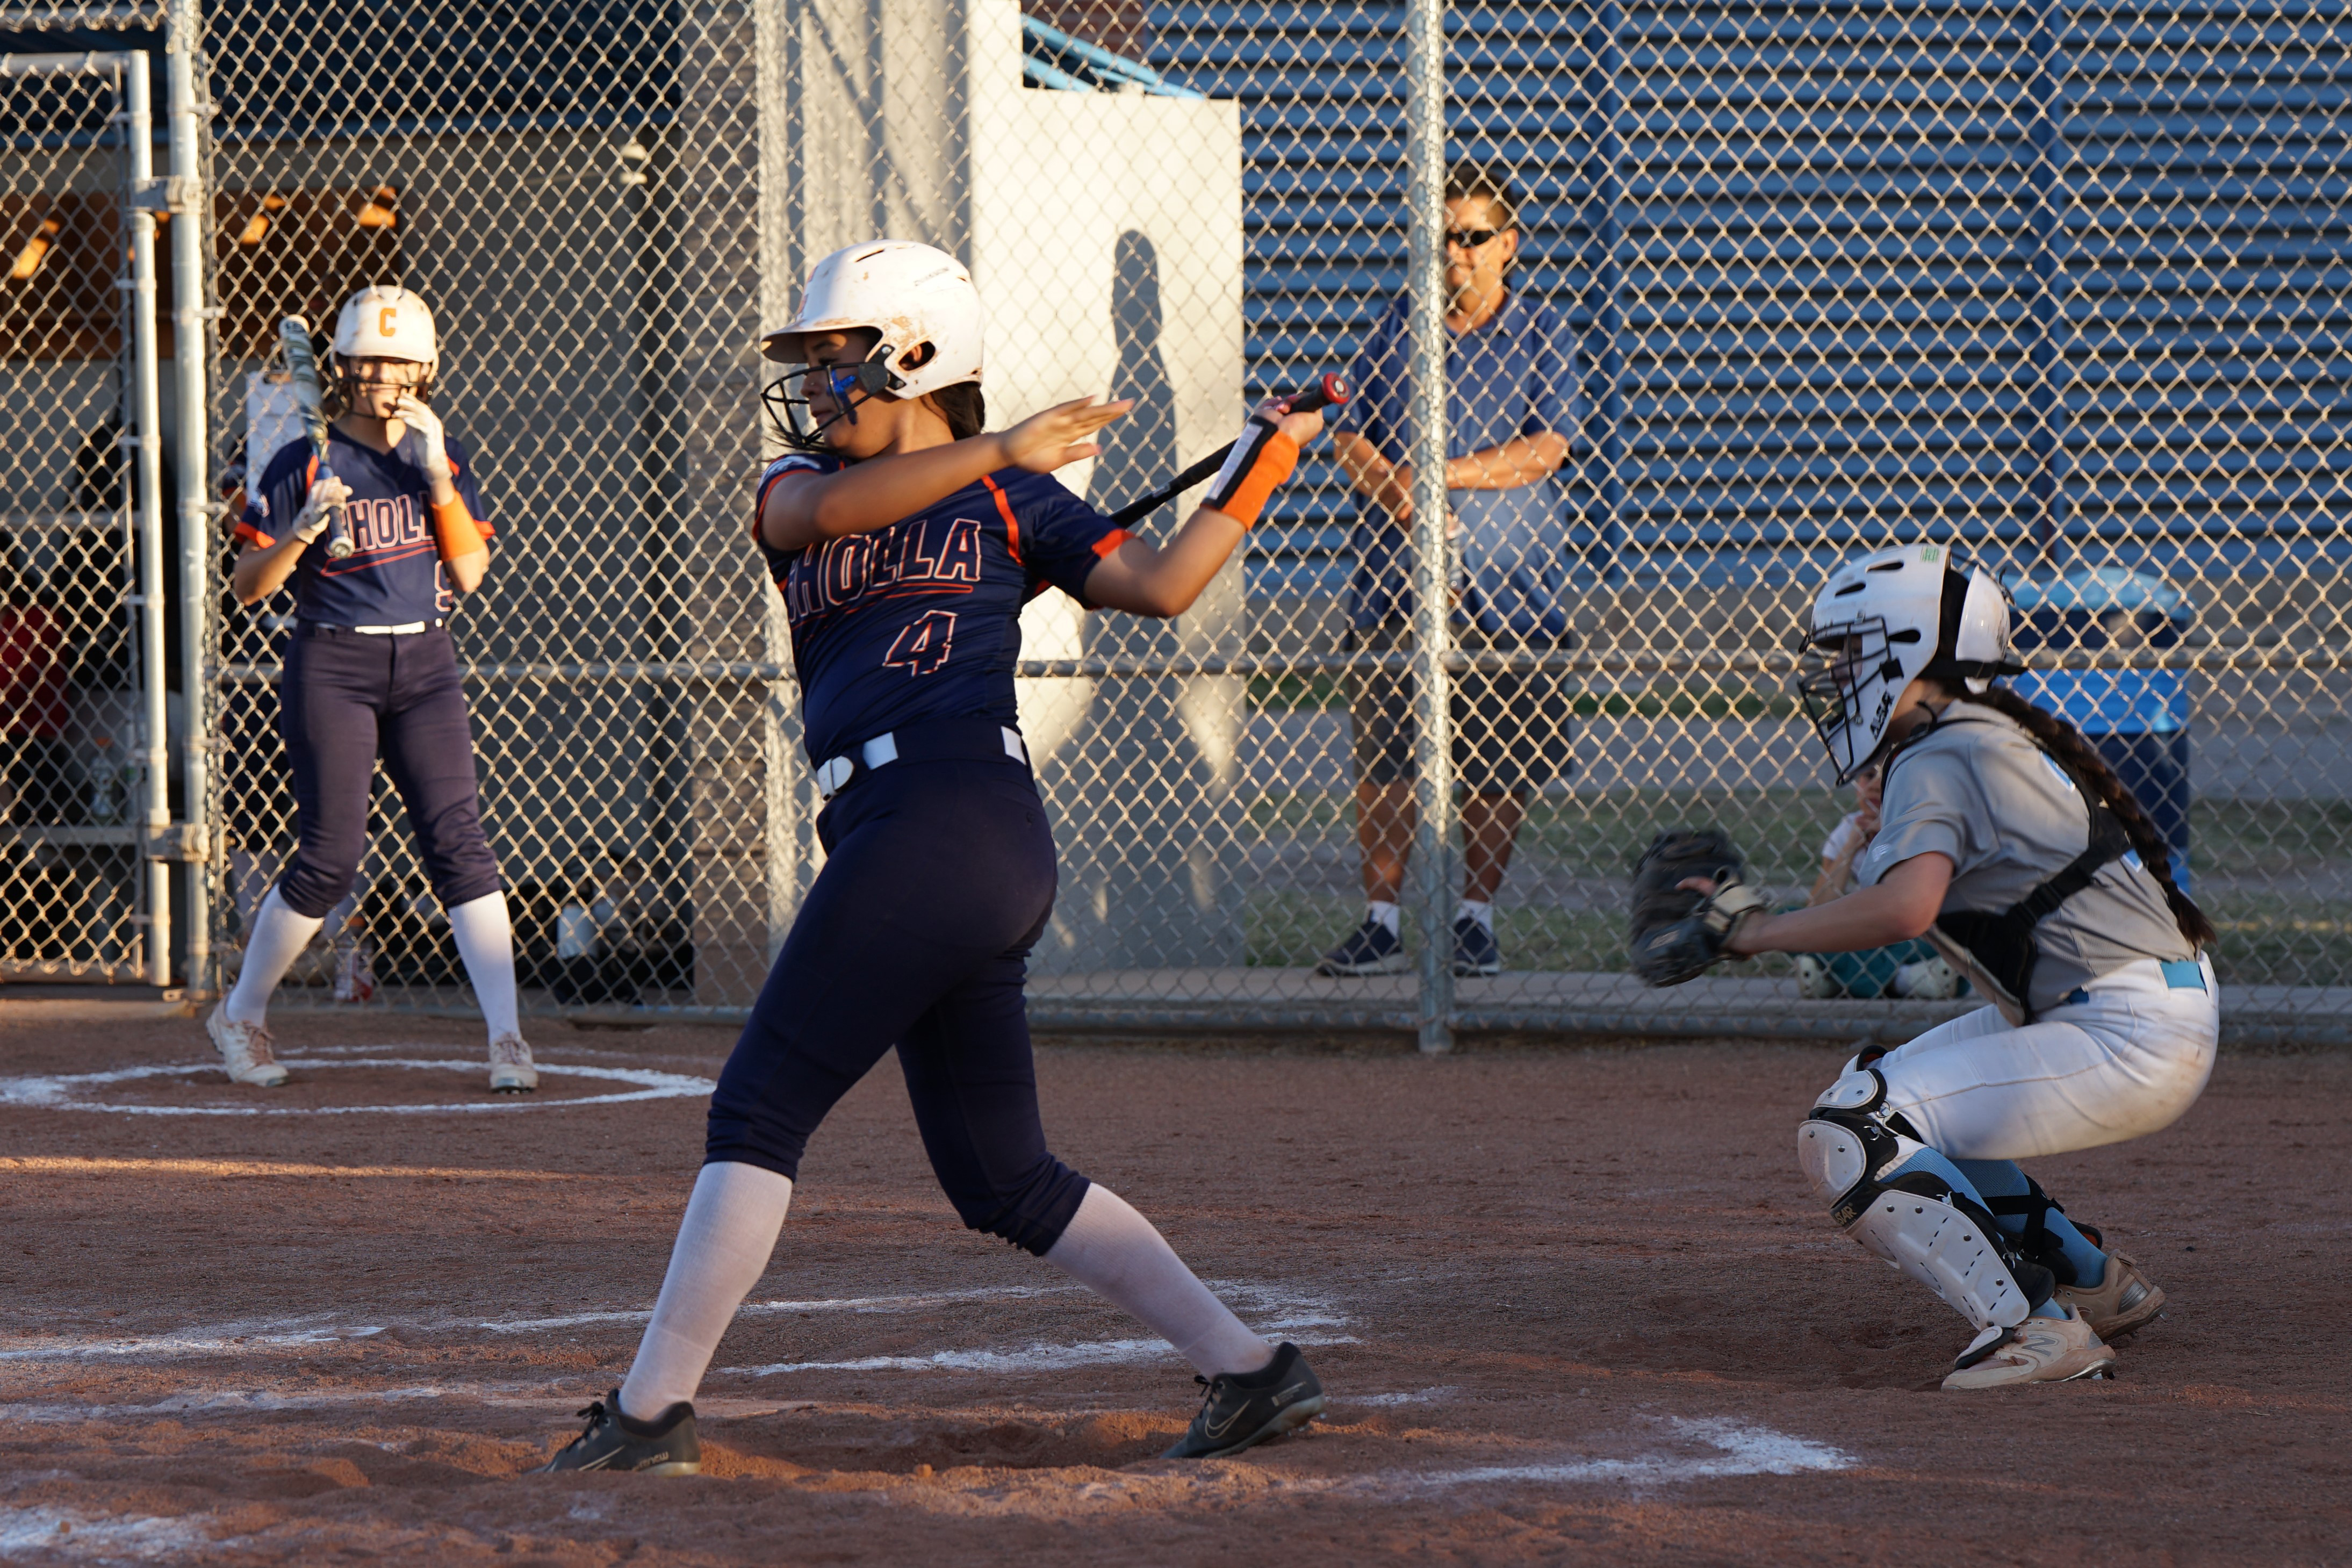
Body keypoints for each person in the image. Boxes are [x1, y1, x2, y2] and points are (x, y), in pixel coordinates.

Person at [533, 240, 1331, 1475]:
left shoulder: (1014, 500)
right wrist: (1000, 450)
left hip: (951, 815)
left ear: (916, 357)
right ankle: (1251, 1367)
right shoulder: (800, 484)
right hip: (915, 835)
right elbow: (826, 513)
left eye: (840, 359)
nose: (816, 384)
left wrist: (1262, 461)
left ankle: (647, 1413)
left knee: (757, 1105)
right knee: (998, 1172)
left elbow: (1164, 582)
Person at [1692, 543, 2216, 1389]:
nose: (1840, 676)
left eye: (1856, 654)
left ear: (1906, 653)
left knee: (1849, 1133)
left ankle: (2034, 1327)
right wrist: (1876, 822)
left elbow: (1907, 909)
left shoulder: (1944, 750)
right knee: (1888, 1095)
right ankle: (2090, 1278)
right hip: (2138, 1008)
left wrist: (1753, 931)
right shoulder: (1970, 736)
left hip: (2125, 1029)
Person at [204, 285, 534, 1094]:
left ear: (424, 369)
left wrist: (439, 483)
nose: (382, 376)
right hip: (333, 663)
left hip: (425, 664)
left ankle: (508, 1037)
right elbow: (247, 586)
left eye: (398, 362)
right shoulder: (299, 460)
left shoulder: (439, 453)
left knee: (460, 843)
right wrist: (302, 530)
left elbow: (469, 573)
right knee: (329, 855)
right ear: (341, 367)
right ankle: (241, 1012)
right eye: (366, 361)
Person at [1317, 161, 1578, 979]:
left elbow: (1548, 446)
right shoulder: (1396, 324)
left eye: (1470, 238)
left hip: (1508, 596)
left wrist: (1440, 473)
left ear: (1507, 244)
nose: (1453, 256)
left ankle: (1473, 919)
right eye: (1441, 239)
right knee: (1387, 763)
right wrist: (1392, 483)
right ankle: (1383, 921)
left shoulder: (1541, 334)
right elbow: (1347, 433)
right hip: (1397, 585)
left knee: (1495, 764)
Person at [1792, 764, 1961, 1001]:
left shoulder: (1925, 827)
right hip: (1873, 938)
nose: (1875, 785)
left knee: (1950, 951)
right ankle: (1908, 980)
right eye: (1869, 776)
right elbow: (1817, 909)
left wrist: (1893, 837)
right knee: (1791, 918)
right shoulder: (1849, 828)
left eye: (1888, 776)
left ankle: (1838, 980)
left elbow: (1921, 907)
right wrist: (1851, 846)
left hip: (1920, 937)